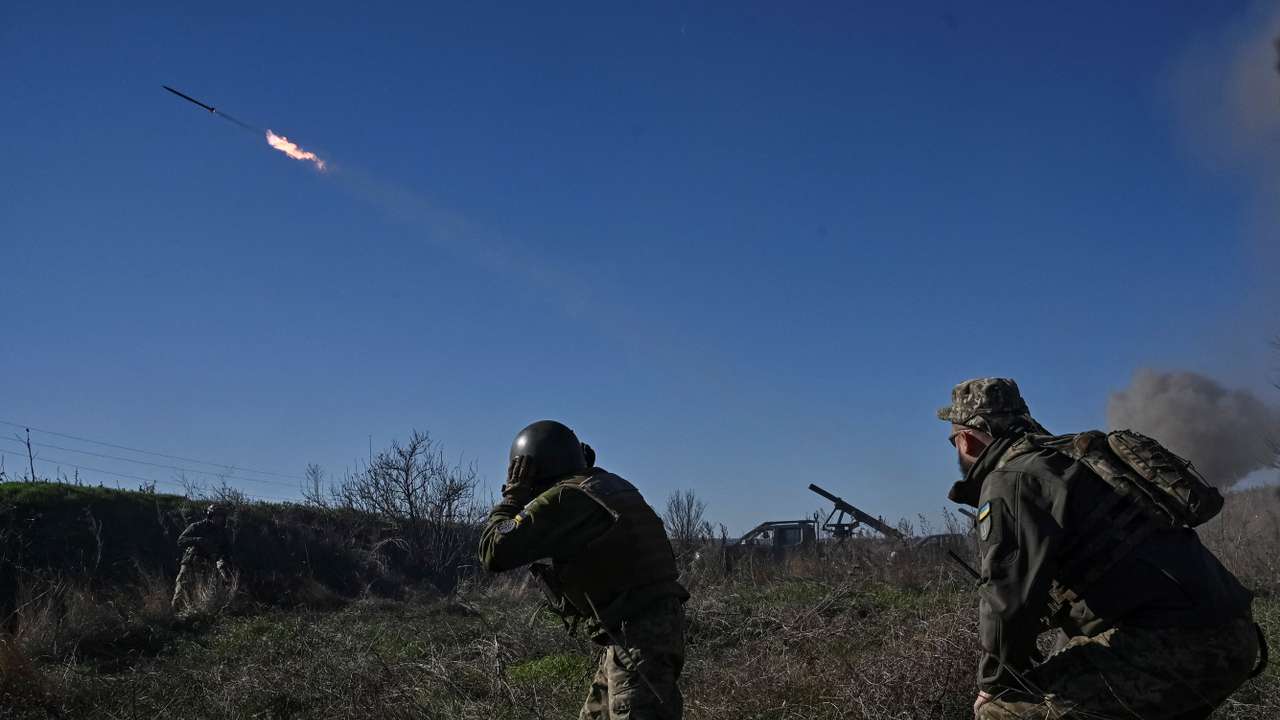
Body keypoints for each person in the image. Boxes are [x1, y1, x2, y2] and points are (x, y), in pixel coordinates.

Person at [940, 377, 1263, 719]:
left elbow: (1007, 599)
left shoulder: (1012, 479)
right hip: (1234, 631)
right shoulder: (1076, 461)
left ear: (968, 440)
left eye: (953, 441)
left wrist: (994, 684)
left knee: (999, 713)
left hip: (1180, 649)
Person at [478, 420, 687, 719]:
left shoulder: (566, 498)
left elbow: (494, 551)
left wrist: (513, 499)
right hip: (638, 633)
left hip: (638, 639)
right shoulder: (604, 484)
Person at [171, 503, 233, 612]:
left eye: (221, 517)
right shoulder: (197, 527)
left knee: (205, 592)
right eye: (216, 516)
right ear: (210, 515)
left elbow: (226, 551)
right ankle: (174, 614)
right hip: (191, 562)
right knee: (182, 588)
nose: (219, 519)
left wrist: (223, 564)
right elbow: (180, 541)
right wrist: (198, 540)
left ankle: (197, 616)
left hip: (209, 564)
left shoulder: (222, 533)